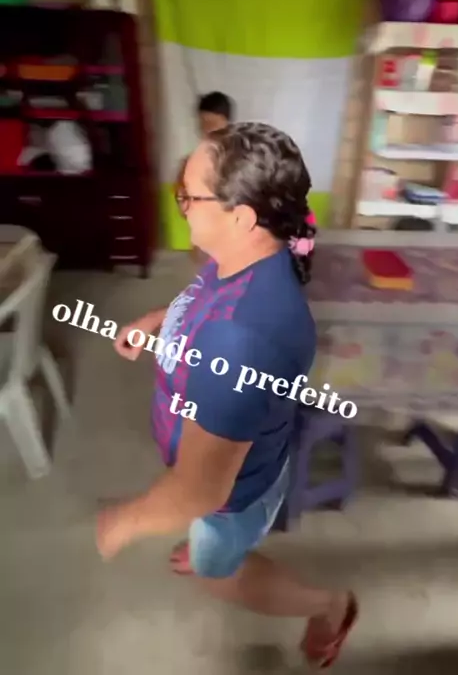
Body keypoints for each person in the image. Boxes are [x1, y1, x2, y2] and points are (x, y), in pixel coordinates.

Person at [96, 122, 358, 668]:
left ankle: (330, 606)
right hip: (240, 462)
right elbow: (201, 297)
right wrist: (158, 320)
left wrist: (127, 521)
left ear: (240, 216)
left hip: (234, 495)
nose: (180, 205)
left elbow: (199, 489)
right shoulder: (241, 259)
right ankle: (212, 545)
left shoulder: (239, 339)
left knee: (218, 571)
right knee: (208, 542)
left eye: (188, 196)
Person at [175, 91, 235, 264]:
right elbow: (182, 204)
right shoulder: (190, 163)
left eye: (213, 124)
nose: (207, 130)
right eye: (203, 124)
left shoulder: (240, 161)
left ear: (228, 124)